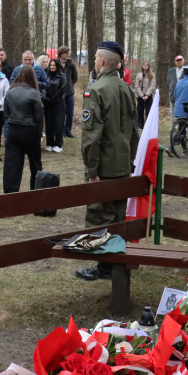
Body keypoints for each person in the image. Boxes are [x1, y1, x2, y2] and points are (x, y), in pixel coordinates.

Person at [76, 42, 139, 282]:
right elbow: (134, 133)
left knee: (99, 217)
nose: (94, 62)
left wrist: (92, 171)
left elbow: (92, 138)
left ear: (102, 61)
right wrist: (130, 163)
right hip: (123, 166)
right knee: (117, 216)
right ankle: (113, 265)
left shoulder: (96, 90)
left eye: (95, 58)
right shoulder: (126, 89)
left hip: (104, 168)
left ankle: (104, 267)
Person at [1, 65, 44, 193]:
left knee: (12, 164)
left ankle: (10, 192)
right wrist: (39, 133)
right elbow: (39, 116)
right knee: (35, 163)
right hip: (30, 130)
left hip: (14, 130)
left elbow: (6, 114)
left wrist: (12, 122)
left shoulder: (10, 92)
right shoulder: (34, 93)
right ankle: (36, 191)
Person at [43, 58, 67, 153]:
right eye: (51, 65)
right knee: (49, 124)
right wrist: (45, 98)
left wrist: (53, 98)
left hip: (58, 103)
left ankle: (58, 144)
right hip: (48, 103)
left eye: (54, 65)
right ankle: (49, 143)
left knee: (58, 123)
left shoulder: (62, 76)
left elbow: (62, 88)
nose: (52, 67)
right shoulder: (46, 75)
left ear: (57, 66)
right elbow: (44, 87)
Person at [59, 46, 79, 138]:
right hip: (59, 93)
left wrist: (70, 84)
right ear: (61, 54)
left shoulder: (71, 65)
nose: (67, 55)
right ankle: (61, 131)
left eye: (68, 53)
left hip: (69, 92)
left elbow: (75, 78)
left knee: (70, 113)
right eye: (66, 53)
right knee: (61, 113)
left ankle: (68, 131)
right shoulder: (56, 64)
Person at [132, 62, 156, 129]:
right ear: (142, 66)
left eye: (147, 65)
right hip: (140, 96)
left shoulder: (152, 75)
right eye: (144, 65)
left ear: (149, 66)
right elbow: (136, 86)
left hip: (148, 96)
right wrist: (141, 95)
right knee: (140, 110)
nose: (145, 66)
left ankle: (148, 126)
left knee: (148, 111)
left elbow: (152, 85)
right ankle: (140, 124)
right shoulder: (139, 75)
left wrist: (147, 95)